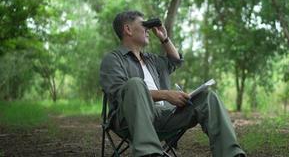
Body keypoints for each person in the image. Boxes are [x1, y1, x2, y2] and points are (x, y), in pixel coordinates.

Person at [99, 10, 246, 157]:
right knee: (135, 84)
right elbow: (118, 93)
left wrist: (164, 38)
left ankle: (231, 153)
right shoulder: (113, 59)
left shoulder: (151, 60)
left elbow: (175, 61)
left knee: (207, 97)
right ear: (128, 29)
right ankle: (150, 154)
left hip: (164, 117)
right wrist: (165, 95)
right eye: (144, 25)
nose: (148, 30)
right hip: (129, 119)